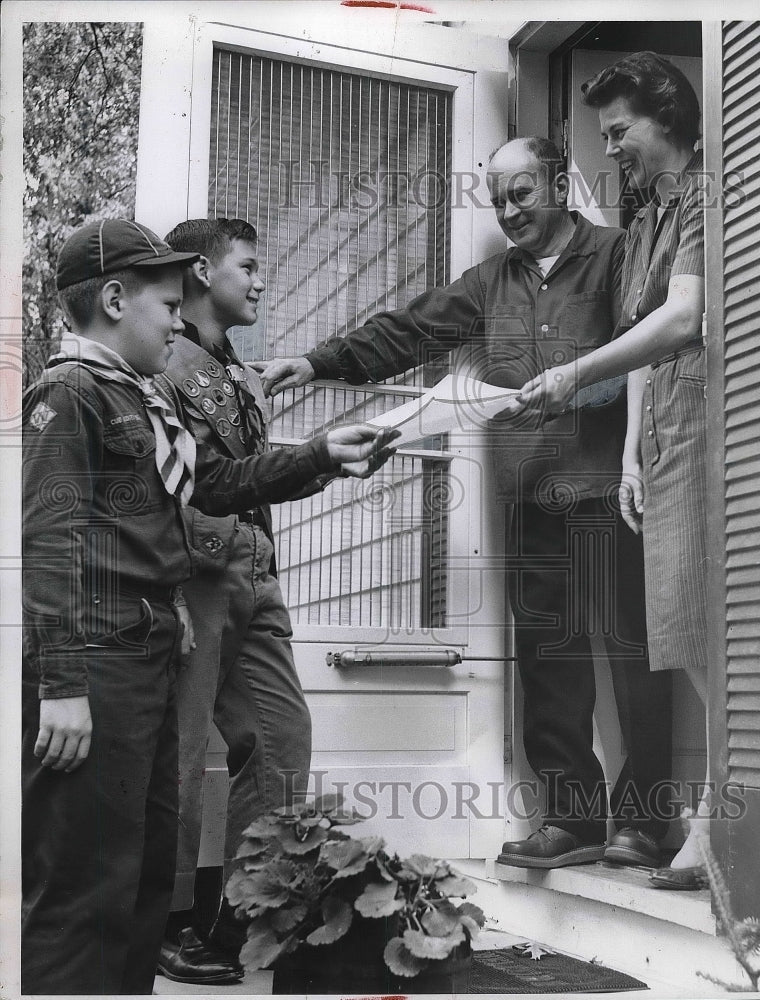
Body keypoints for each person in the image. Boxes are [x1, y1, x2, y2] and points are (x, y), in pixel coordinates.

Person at [259, 137, 673, 870]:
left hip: (610, 489)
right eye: (497, 200)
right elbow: (408, 331)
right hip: (530, 496)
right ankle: (570, 820)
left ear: (555, 187)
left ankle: (646, 823)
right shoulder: (491, 281)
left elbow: (653, 350)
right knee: (548, 658)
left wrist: (585, 387)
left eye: (521, 195)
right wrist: (317, 361)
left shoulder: (617, 253)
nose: (509, 212)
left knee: (635, 652)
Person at [21, 218, 397, 995]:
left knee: (145, 875)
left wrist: (321, 455)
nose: (176, 319)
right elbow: (51, 545)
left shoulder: (135, 398)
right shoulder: (69, 394)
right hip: (99, 659)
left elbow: (216, 485)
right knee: (86, 885)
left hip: (152, 647)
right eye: (166, 304)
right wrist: (60, 685)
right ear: (116, 300)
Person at [519, 53, 709, 889]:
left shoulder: (708, 196)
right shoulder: (641, 227)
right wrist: (630, 453)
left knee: (707, 641)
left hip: (709, 428)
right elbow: (643, 337)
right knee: (680, 635)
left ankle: (712, 829)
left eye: (619, 131)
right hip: (662, 440)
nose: (612, 149)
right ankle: (710, 827)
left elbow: (682, 319)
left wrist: (574, 372)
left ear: (664, 117)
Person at [156, 218, 323, 985]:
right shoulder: (160, 360)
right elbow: (187, 484)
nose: (261, 281)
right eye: (249, 267)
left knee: (281, 743)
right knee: (182, 756)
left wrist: (322, 464)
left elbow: (250, 472)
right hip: (194, 572)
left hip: (258, 570)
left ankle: (239, 919)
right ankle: (162, 920)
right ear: (199, 270)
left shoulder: (238, 372)